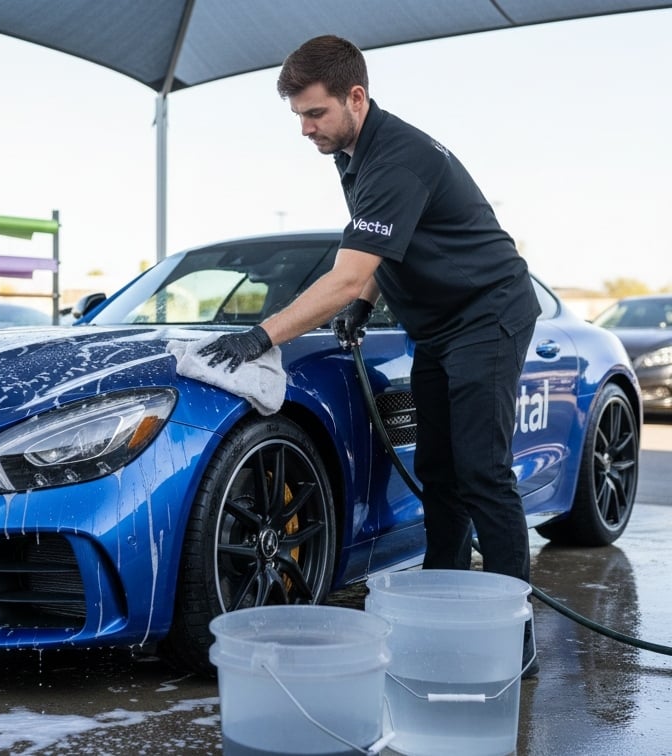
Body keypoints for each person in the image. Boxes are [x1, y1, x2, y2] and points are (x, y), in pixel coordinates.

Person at [198, 34, 541, 677]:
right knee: (439, 471)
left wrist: (262, 336)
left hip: (487, 314)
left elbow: (350, 274)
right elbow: (380, 255)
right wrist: (366, 302)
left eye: (315, 113)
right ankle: (444, 608)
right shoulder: (353, 150)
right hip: (438, 325)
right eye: (297, 115)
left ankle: (512, 641)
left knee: (481, 473)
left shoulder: (397, 158)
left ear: (356, 97)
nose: (304, 129)